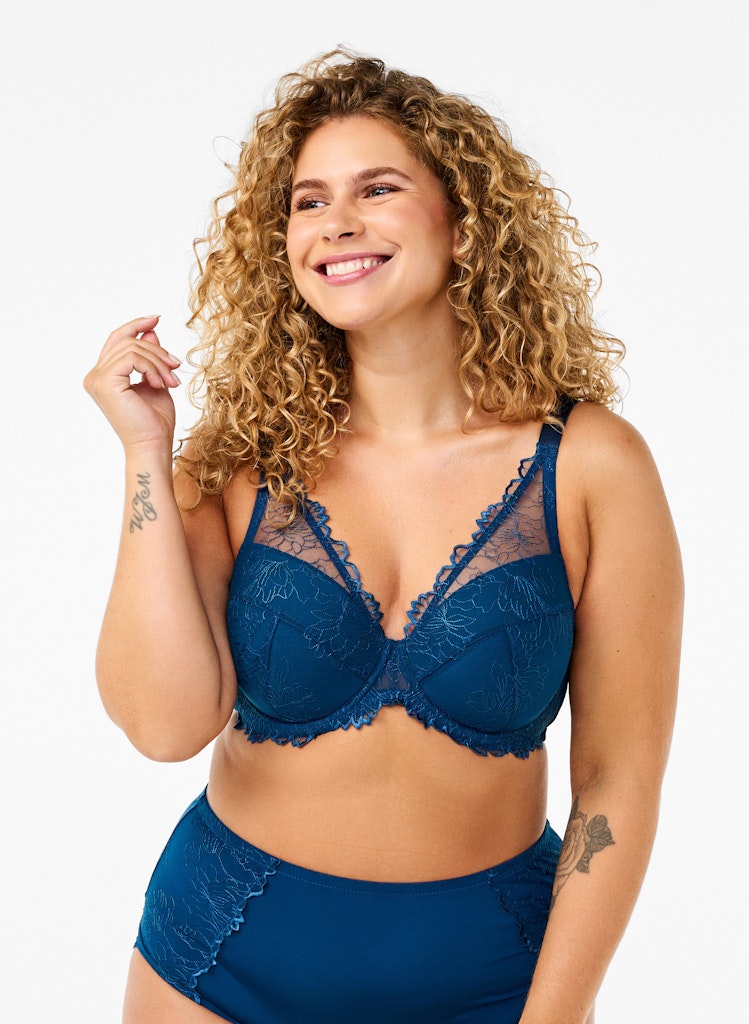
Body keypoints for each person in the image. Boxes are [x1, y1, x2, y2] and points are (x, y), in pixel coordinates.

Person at [84, 50, 683, 1024]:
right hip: (222, 959)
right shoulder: (237, 465)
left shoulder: (590, 465)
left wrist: (554, 1016)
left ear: (463, 220)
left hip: (493, 977)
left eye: (377, 189)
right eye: (308, 201)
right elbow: (164, 726)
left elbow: (617, 779)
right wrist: (147, 457)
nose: (336, 223)